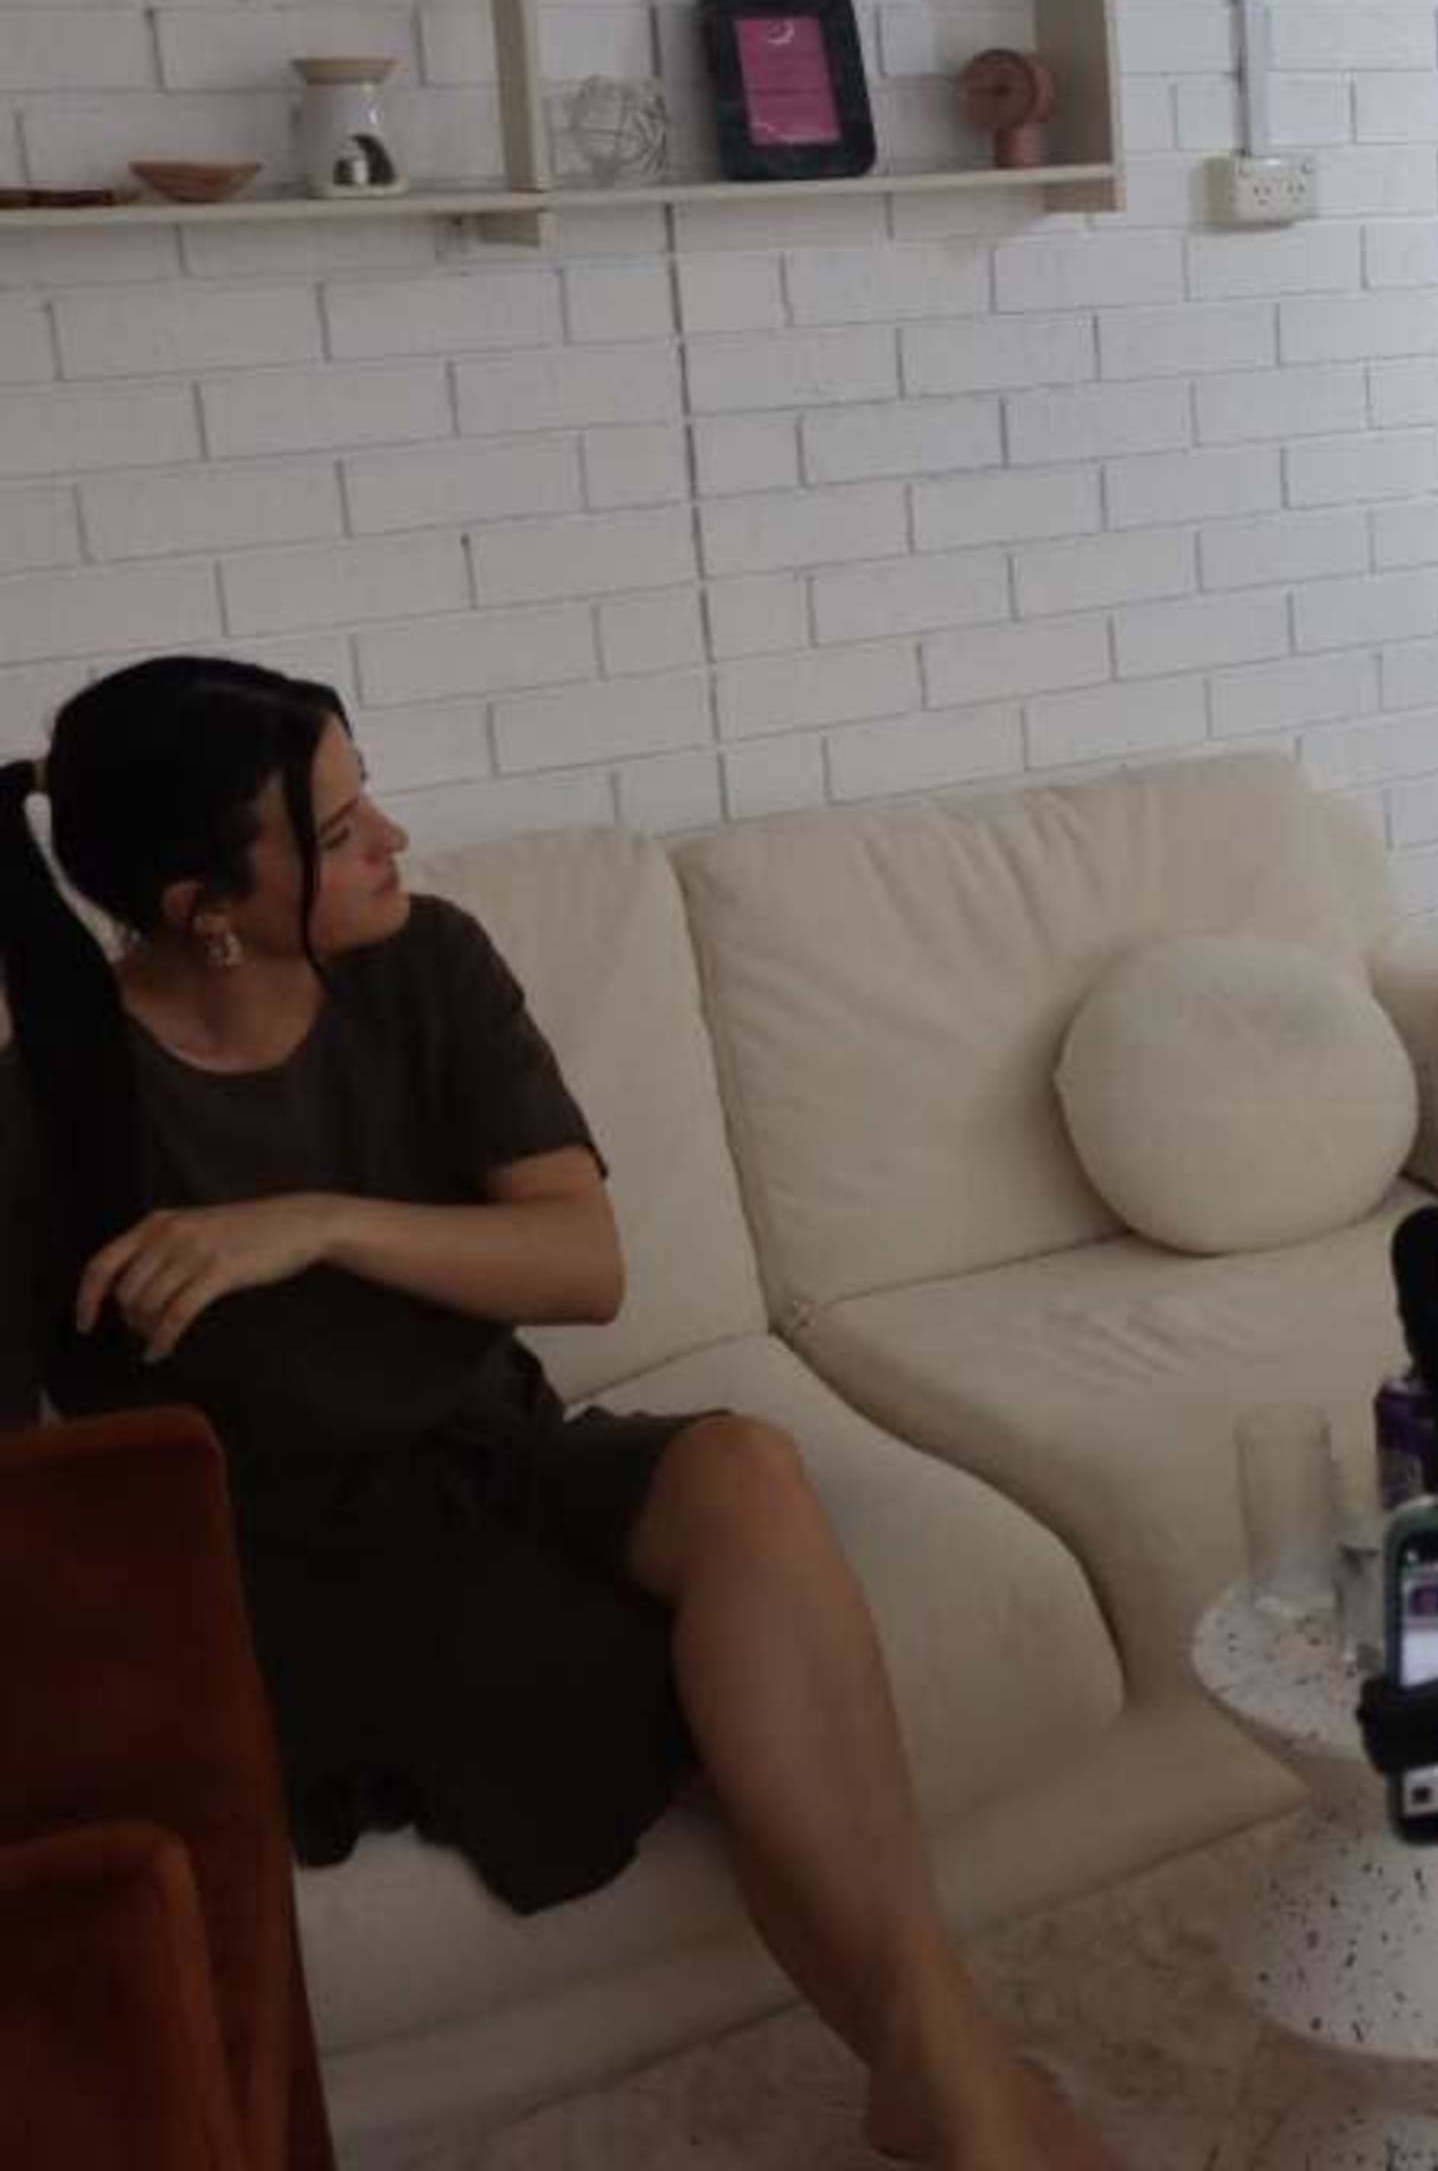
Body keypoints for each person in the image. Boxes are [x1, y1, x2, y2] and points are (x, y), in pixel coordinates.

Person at [0, 657, 1115, 2171]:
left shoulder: (428, 963)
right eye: (336, 832)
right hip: (278, 1561)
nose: (391, 839)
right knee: (674, 1673)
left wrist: (317, 1221)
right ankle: (968, 2094)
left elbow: (583, 1267)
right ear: (209, 910)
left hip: (494, 1458)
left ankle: (934, 2071)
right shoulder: (57, 1098)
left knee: (743, 1467)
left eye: (366, 799)